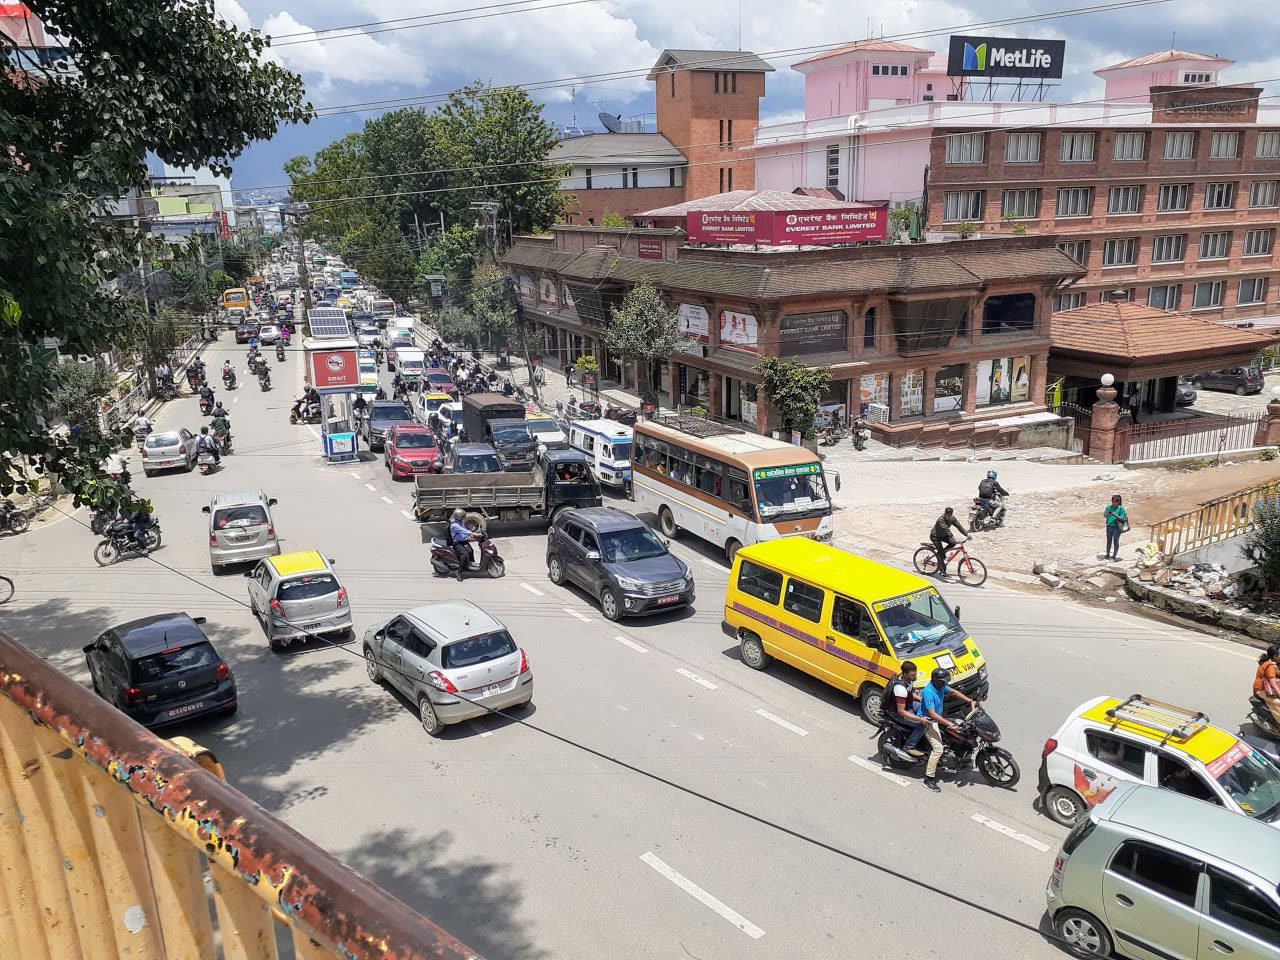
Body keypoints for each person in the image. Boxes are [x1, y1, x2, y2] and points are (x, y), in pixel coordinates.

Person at [918, 667, 977, 792]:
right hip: (928, 722)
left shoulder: (940, 686)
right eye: (944, 681)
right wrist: (948, 723)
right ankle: (928, 779)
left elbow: (953, 692)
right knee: (938, 749)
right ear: (938, 681)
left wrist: (970, 700)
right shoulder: (929, 692)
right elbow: (932, 714)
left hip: (939, 718)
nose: (946, 683)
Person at [887, 661, 929, 758]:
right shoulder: (900, 689)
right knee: (923, 725)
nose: (915, 677)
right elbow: (901, 711)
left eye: (915, 674)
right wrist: (919, 719)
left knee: (928, 708)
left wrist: (921, 700)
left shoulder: (907, 679)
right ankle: (908, 746)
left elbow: (910, 691)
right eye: (912, 675)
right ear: (905, 674)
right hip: (899, 712)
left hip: (909, 704)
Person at [930, 507, 968, 578]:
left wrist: (966, 534)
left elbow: (959, 526)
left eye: (949, 515)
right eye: (946, 515)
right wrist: (954, 538)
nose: (947, 517)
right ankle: (942, 571)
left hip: (943, 535)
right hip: (935, 536)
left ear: (951, 515)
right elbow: (947, 530)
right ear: (944, 513)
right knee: (941, 554)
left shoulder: (952, 518)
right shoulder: (940, 520)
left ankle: (941, 553)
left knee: (953, 543)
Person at [1254, 644, 1280, 728]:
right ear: (1275, 656)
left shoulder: (1274, 661)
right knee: (1277, 703)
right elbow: (1272, 682)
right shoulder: (1270, 666)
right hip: (1261, 689)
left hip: (1271, 685)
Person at [449, 508, 475, 581]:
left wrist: (469, 535)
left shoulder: (459, 521)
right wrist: (471, 533)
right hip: (457, 543)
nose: (463, 518)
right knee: (464, 555)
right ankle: (459, 573)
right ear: (459, 516)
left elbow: (463, 531)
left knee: (471, 551)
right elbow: (462, 530)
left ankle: (469, 565)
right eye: (462, 516)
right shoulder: (454, 525)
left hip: (463, 541)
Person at [1103, 494, 1128, 561]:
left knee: (1115, 541)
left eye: (1115, 502)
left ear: (1118, 502)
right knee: (1108, 541)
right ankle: (1107, 554)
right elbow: (1105, 515)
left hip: (1117, 527)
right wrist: (1106, 514)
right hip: (1109, 526)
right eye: (1113, 502)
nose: (1114, 504)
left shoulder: (1121, 508)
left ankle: (1114, 555)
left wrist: (1114, 514)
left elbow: (1122, 518)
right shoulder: (1109, 507)